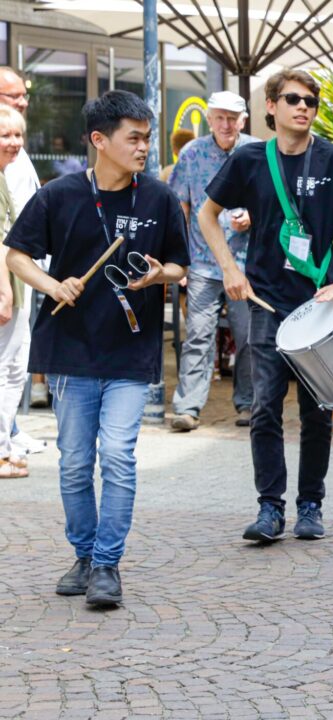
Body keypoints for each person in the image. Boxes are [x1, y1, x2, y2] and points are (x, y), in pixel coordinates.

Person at [4, 90, 189, 607]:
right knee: (74, 462)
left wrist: (160, 274)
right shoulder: (59, 195)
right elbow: (16, 255)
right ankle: (83, 555)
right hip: (71, 350)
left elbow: (181, 264)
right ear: (99, 140)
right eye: (134, 138)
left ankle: (107, 564)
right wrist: (52, 285)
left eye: (147, 138)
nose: (144, 147)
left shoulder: (158, 198)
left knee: (118, 457)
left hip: (131, 350)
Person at [200, 69, 333, 543]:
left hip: (321, 304)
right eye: (293, 99)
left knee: (317, 410)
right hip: (265, 301)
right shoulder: (250, 159)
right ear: (271, 106)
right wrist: (230, 269)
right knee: (264, 407)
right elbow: (207, 214)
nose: (303, 107)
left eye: (311, 101)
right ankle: (269, 508)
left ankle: (310, 505)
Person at [169, 91, 259, 432]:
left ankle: (248, 404)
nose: (226, 124)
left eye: (232, 118)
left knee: (248, 336)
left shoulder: (257, 152)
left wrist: (252, 215)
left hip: (244, 264)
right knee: (198, 335)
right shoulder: (191, 153)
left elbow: (273, 202)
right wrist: (181, 260)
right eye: (219, 118)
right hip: (203, 262)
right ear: (209, 120)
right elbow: (182, 207)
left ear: (243, 121)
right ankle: (188, 408)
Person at [0, 66, 47, 414]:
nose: (22, 101)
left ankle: (9, 433)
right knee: (8, 365)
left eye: (23, 95)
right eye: (13, 95)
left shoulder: (13, 163)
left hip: (22, 273)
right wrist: (4, 290)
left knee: (16, 362)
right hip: (9, 278)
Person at [0, 105, 28, 478]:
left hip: (13, 285)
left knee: (12, 368)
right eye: (5, 135)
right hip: (6, 287)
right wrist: (5, 291)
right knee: (6, 370)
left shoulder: (4, 177)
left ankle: (4, 447)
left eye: (18, 134)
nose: (14, 142)